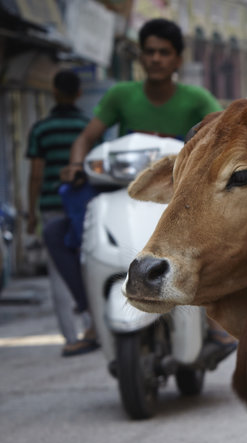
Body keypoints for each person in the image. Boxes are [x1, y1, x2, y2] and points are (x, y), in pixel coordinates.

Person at [53, 18, 234, 354]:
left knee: (217, 232)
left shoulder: (196, 99)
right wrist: (76, 164)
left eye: (164, 53)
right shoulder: (121, 95)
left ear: (177, 60)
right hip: (126, 189)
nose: (155, 59)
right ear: (140, 57)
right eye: (149, 52)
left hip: (178, 193)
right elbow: (86, 138)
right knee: (56, 232)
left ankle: (214, 318)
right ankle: (91, 314)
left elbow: (224, 133)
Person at [26, 69, 96, 356]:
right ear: (79, 93)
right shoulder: (87, 127)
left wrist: (31, 212)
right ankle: (94, 325)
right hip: (82, 204)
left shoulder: (41, 129)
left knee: (58, 274)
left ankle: (70, 336)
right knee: (87, 264)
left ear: (54, 92)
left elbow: (36, 175)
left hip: (52, 206)